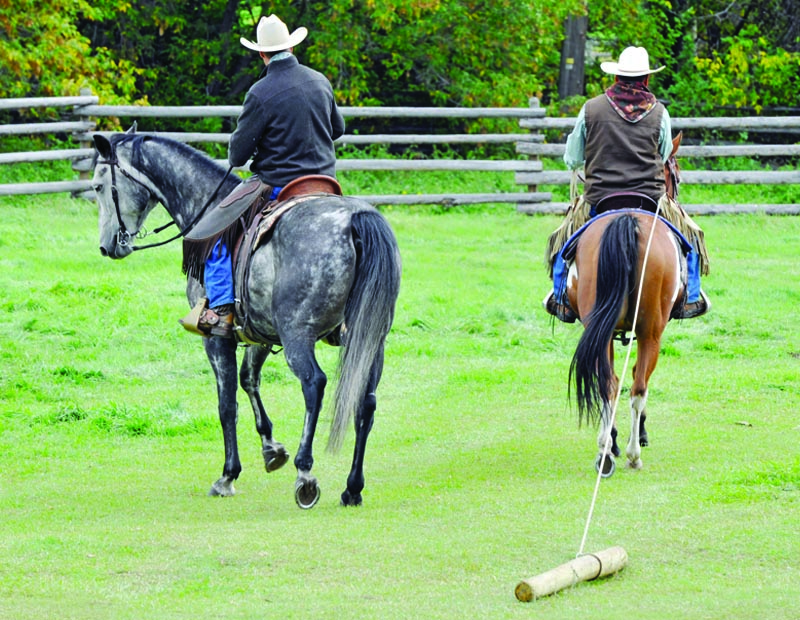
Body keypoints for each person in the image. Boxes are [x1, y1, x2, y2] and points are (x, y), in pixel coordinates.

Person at [182, 14, 346, 338]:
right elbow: (337, 129)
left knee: (213, 232)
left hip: (277, 185)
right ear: (291, 45)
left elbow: (238, 156)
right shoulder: (319, 80)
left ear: (262, 53)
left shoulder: (260, 92)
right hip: (325, 184)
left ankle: (222, 312)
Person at [543, 46, 710, 323]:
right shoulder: (659, 113)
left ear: (617, 76)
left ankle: (560, 296)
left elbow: (571, 158)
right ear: (646, 79)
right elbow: (666, 151)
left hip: (599, 198)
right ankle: (692, 295)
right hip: (649, 199)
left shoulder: (590, 109)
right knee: (690, 237)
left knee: (563, 240)